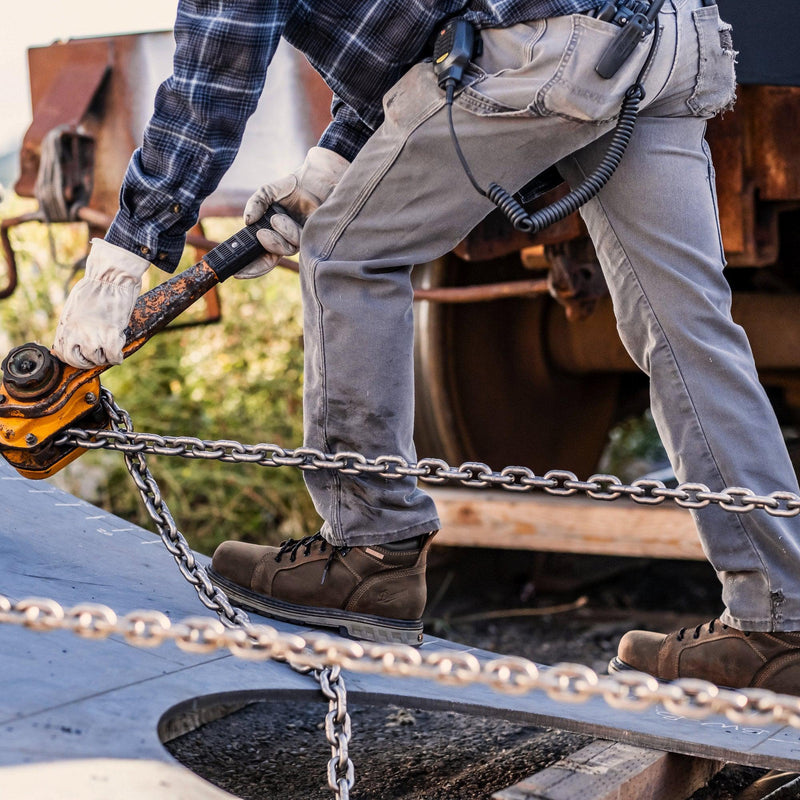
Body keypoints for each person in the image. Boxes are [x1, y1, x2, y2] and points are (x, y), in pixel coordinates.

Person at [51, 0, 800, 690]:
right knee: (687, 329)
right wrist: (330, 168)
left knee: (348, 255)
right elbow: (410, 34)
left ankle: (367, 551)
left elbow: (213, 76)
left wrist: (129, 253)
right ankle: (780, 621)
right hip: (666, 36)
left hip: (558, 42)